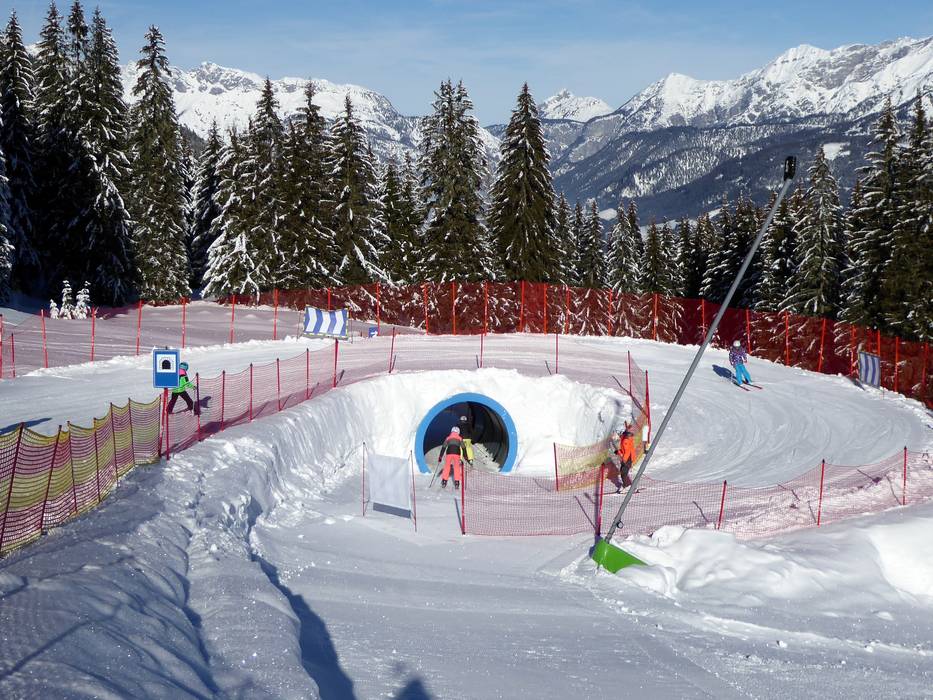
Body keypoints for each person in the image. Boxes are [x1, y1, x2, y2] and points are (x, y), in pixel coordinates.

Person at [608, 426, 635, 493]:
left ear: (620, 432)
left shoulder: (625, 440)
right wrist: (618, 452)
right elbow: (624, 450)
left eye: (616, 434)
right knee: (622, 471)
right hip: (627, 458)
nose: (615, 436)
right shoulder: (623, 438)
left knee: (624, 472)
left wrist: (624, 460)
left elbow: (627, 452)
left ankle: (628, 486)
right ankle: (625, 485)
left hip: (628, 458)